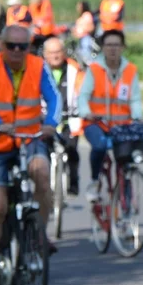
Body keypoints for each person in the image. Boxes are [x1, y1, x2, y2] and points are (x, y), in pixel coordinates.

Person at [0, 24, 61, 285]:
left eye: (24, 46)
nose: (18, 51)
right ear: (2, 46)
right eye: (12, 46)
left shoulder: (38, 65)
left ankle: (38, 235)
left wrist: (51, 123)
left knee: (42, 173)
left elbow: (54, 97)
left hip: (29, 138)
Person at [77, 29, 143, 201]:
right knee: (99, 146)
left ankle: (125, 197)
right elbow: (83, 96)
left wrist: (137, 116)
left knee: (126, 159)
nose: (112, 49)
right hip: (96, 123)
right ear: (103, 48)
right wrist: (86, 113)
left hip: (122, 125)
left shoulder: (130, 70)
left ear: (122, 47)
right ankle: (94, 181)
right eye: (108, 45)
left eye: (116, 45)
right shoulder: (94, 69)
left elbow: (135, 98)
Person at [42, 36, 84, 195]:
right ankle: (44, 188)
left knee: (72, 148)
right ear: (45, 54)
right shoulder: (38, 69)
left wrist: (82, 109)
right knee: (42, 152)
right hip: (45, 119)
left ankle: (73, 182)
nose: (55, 56)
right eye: (51, 53)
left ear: (64, 52)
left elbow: (82, 91)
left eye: (58, 52)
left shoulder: (74, 69)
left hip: (70, 117)